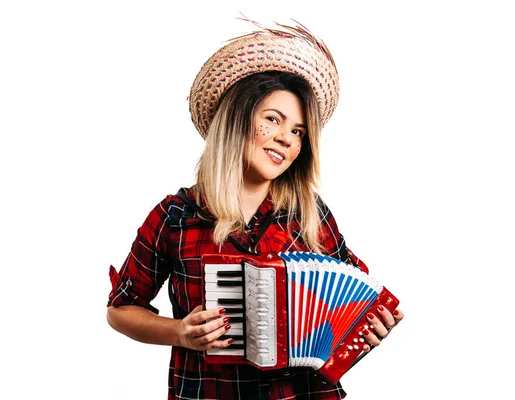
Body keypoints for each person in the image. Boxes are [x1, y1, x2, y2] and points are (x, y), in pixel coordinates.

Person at [106, 19, 404, 400]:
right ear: (236, 119)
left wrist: (369, 331)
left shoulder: (309, 215)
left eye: (298, 131)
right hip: (209, 393)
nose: (286, 137)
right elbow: (121, 310)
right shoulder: (175, 215)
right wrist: (180, 332)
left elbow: (353, 308)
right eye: (272, 119)